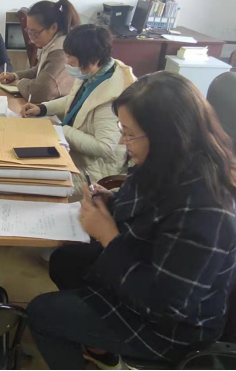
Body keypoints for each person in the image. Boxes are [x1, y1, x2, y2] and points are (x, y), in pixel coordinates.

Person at [27, 72, 236, 370]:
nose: (123, 141)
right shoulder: (164, 161)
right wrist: (109, 202)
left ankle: (95, 342)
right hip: (144, 268)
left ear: (167, 135)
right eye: (122, 130)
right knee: (65, 260)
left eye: (129, 133)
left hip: (171, 328)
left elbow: (165, 305)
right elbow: (149, 215)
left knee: (42, 313)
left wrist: (108, 236)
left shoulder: (207, 206)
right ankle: (101, 348)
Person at [23, 24, 136, 199]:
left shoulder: (112, 97)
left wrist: (61, 129)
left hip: (95, 172)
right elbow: (73, 100)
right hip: (75, 154)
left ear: (91, 59)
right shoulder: (93, 73)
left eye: (71, 57)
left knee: (37, 187)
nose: (68, 62)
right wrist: (43, 108)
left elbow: (104, 147)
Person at [0, 0, 80, 103]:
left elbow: (40, 92)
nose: (30, 38)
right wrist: (15, 75)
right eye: (29, 31)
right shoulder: (51, 43)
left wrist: (20, 83)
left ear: (53, 27)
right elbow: (39, 70)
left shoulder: (60, 52)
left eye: (35, 33)